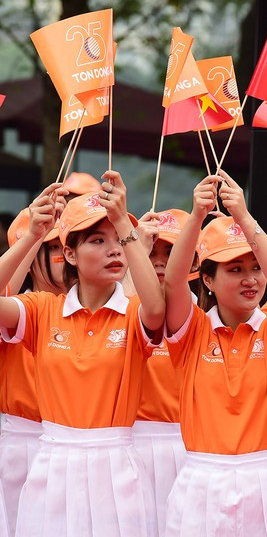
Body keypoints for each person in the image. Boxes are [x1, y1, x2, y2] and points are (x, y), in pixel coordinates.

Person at [0, 173, 165, 536]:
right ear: (69, 254)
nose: (114, 249)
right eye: (97, 240)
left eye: (118, 240)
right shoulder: (43, 310)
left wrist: (125, 222)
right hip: (53, 465)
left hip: (117, 468)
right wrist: (31, 236)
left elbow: (156, 308)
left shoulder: (135, 313)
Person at [163, 171, 267, 536]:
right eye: (235, 269)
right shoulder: (191, 328)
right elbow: (174, 282)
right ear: (207, 279)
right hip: (202, 484)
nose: (251, 279)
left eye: (256, 268)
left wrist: (244, 217)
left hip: (266, 483)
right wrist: (195, 216)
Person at [0, 207, 67, 535]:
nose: (62, 256)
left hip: (70, 445)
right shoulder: (15, 309)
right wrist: (33, 235)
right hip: (22, 444)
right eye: (52, 247)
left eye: (64, 246)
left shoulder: (89, 309)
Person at [132, 208, 192, 536]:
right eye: (151, 250)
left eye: (170, 251)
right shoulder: (123, 308)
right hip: (131, 446)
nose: (159, 261)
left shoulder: (207, 318)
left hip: (192, 451)